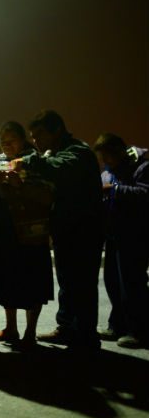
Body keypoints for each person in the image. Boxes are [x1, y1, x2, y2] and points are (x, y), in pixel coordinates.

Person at [12, 110, 103, 350]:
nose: (36, 141)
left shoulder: (78, 152)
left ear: (57, 131)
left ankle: (86, 337)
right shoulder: (58, 152)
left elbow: (60, 167)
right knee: (67, 281)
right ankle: (66, 328)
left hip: (84, 230)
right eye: (33, 136)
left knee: (82, 282)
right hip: (65, 228)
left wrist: (29, 161)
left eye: (39, 135)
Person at [0, 121, 54, 350]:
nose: (7, 145)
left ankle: (30, 332)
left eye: (11, 140)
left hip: (31, 231)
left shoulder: (36, 160)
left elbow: (49, 194)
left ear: (23, 140)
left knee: (33, 282)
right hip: (3, 232)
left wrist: (20, 184)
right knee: (6, 280)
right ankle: (10, 326)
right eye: (3, 141)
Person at [93, 133, 149, 348]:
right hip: (113, 235)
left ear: (119, 151)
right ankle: (117, 325)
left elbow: (145, 194)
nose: (105, 162)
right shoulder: (108, 173)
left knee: (132, 284)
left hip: (135, 235)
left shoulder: (142, 168)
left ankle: (138, 330)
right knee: (113, 284)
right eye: (102, 158)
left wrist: (113, 190)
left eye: (107, 156)